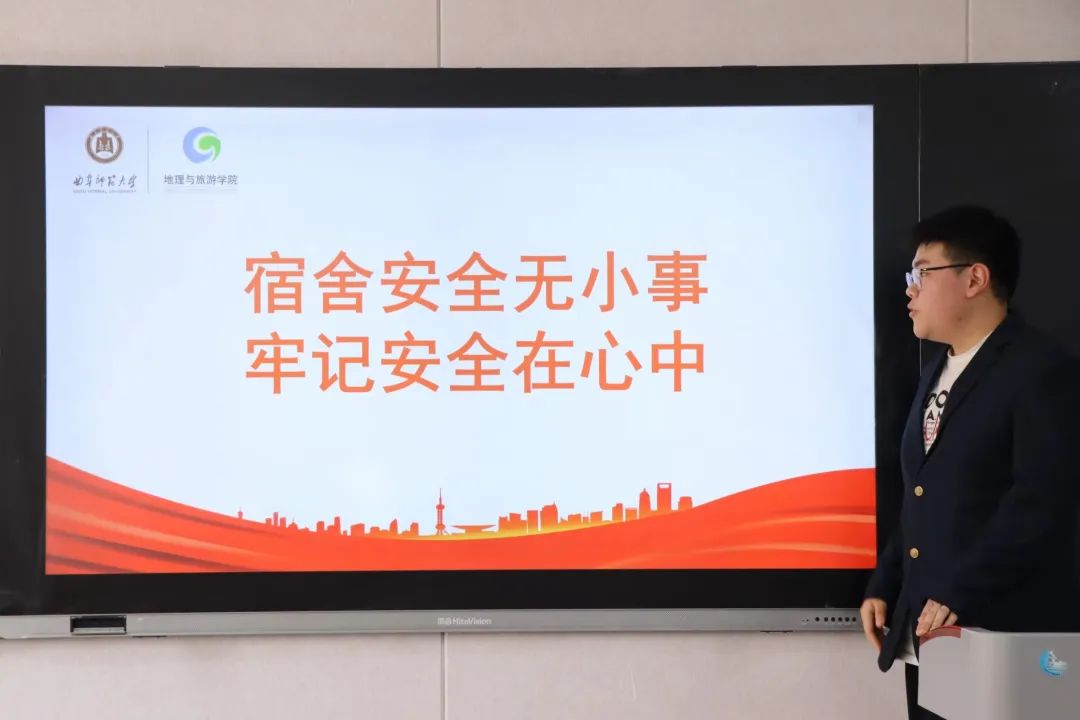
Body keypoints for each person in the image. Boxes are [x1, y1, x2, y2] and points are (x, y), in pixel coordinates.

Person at [860, 206, 1080, 720]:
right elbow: (922, 492)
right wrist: (886, 582)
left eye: (922, 273)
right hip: (930, 634)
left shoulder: (1041, 371)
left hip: (1007, 638)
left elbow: (1040, 504)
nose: (909, 291)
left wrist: (958, 589)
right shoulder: (936, 370)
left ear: (975, 279)